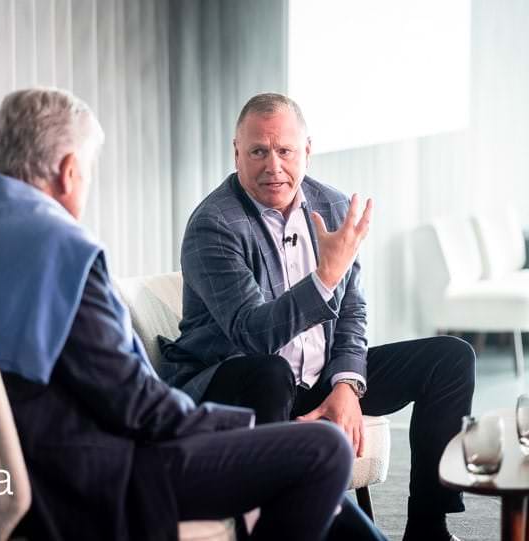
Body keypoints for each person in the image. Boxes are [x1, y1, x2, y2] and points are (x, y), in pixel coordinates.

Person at [0, 88, 358, 541]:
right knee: (325, 451)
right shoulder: (62, 253)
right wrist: (239, 426)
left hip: (11, 472)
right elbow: (136, 405)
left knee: (316, 485)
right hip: (97, 474)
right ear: (68, 171)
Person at [161, 92, 476, 541]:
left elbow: (352, 310)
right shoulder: (214, 224)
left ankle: (428, 526)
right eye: (258, 151)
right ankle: (284, 525)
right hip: (236, 382)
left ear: (307, 150)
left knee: (451, 358)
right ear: (237, 153)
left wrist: (346, 384)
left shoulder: (328, 206)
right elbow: (254, 334)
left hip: (316, 378)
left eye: (285, 150)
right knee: (270, 371)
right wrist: (325, 276)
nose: (273, 166)